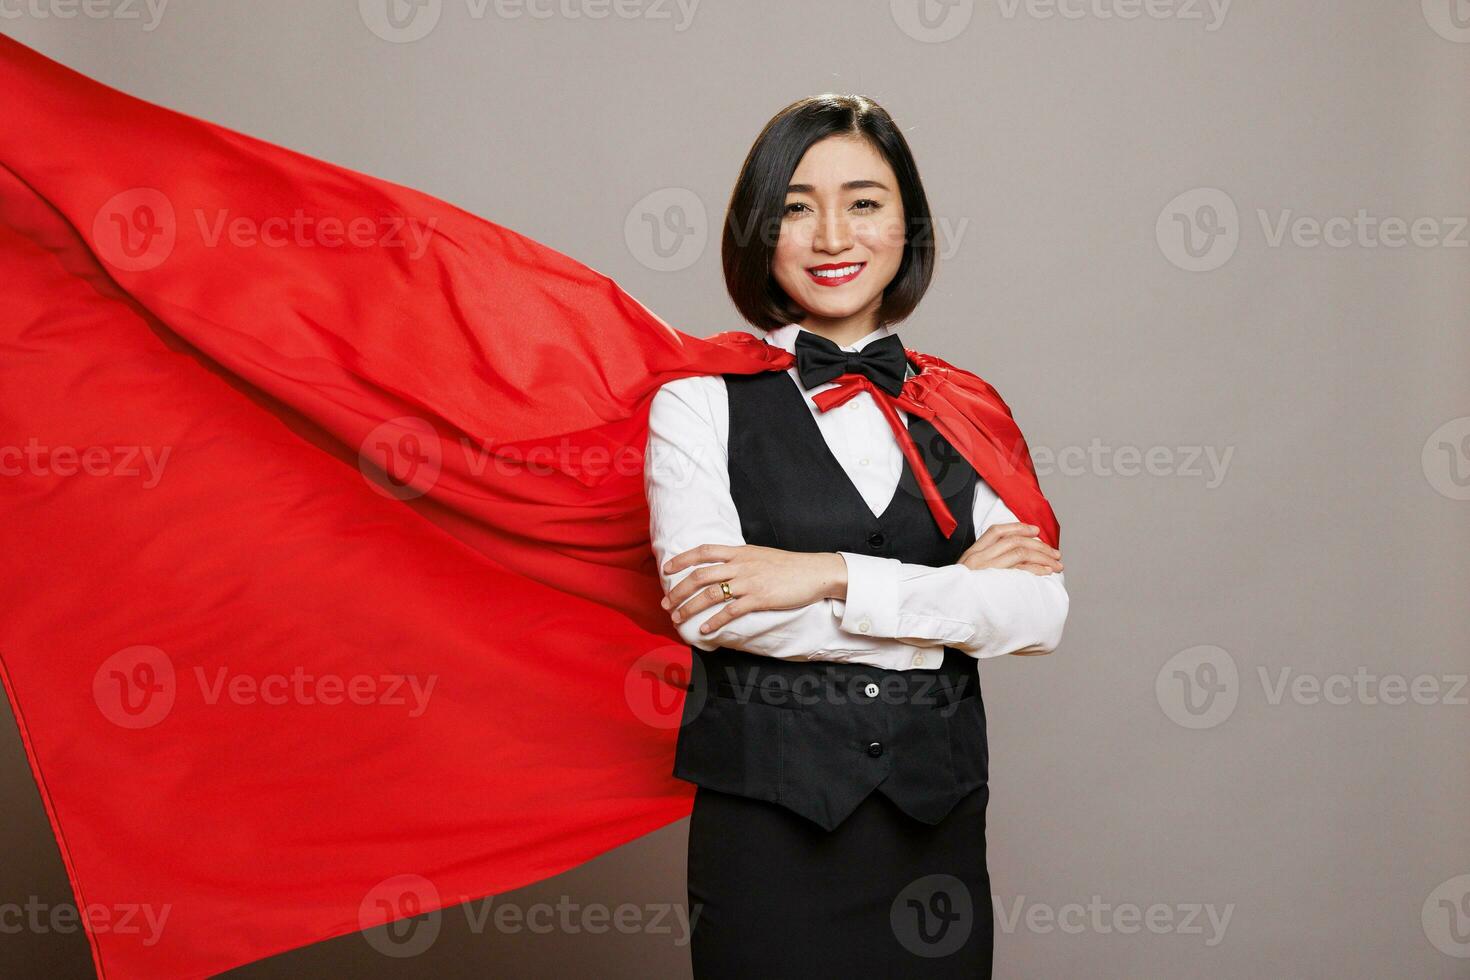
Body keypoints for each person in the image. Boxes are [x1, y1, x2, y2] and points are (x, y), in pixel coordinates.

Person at [643, 95, 1070, 978]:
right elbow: (711, 610)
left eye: (865, 202)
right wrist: (945, 615)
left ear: (906, 224)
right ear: (760, 229)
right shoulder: (697, 402)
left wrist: (824, 575)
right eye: (798, 206)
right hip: (766, 842)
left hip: (934, 839)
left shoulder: (962, 407)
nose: (833, 235)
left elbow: (1036, 612)